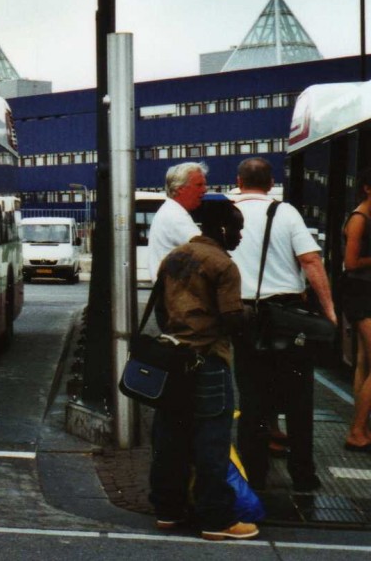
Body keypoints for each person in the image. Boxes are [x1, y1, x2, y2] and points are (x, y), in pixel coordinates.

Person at [148, 196, 256, 541]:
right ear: (222, 228)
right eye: (237, 230)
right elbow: (232, 319)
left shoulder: (175, 257)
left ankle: (167, 510)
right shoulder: (222, 265)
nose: (239, 237)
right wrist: (251, 318)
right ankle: (216, 520)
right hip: (208, 360)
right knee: (211, 440)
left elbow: (161, 312)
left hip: (172, 361)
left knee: (170, 438)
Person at [229, 157, 337, 492]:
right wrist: (329, 310)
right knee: (298, 398)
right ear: (270, 182)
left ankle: (254, 474)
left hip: (242, 315)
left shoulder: (223, 212)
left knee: (252, 399)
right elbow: (310, 260)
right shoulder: (285, 212)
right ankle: (303, 475)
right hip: (286, 317)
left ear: (238, 180)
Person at [341, 167, 371, 452]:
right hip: (361, 295)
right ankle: (357, 431)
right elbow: (351, 263)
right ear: (367, 188)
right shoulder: (360, 219)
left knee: (364, 362)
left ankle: (360, 428)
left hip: (364, 292)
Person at [146, 162, 208, 279]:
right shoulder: (175, 217)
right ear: (180, 188)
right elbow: (208, 252)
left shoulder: (171, 210)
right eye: (199, 185)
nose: (205, 190)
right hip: (175, 292)